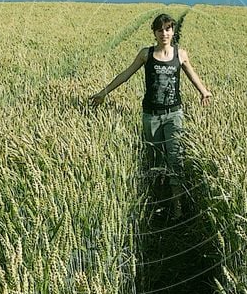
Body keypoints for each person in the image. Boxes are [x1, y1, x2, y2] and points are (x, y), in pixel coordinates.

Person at [89, 13, 212, 218]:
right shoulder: (146, 54)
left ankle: (178, 207)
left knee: (175, 160)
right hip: (151, 116)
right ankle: (157, 205)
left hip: (174, 114)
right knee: (154, 161)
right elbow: (126, 74)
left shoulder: (180, 54)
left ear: (173, 31)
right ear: (154, 33)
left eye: (168, 29)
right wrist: (104, 92)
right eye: (160, 30)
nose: (164, 33)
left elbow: (192, 74)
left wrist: (204, 91)